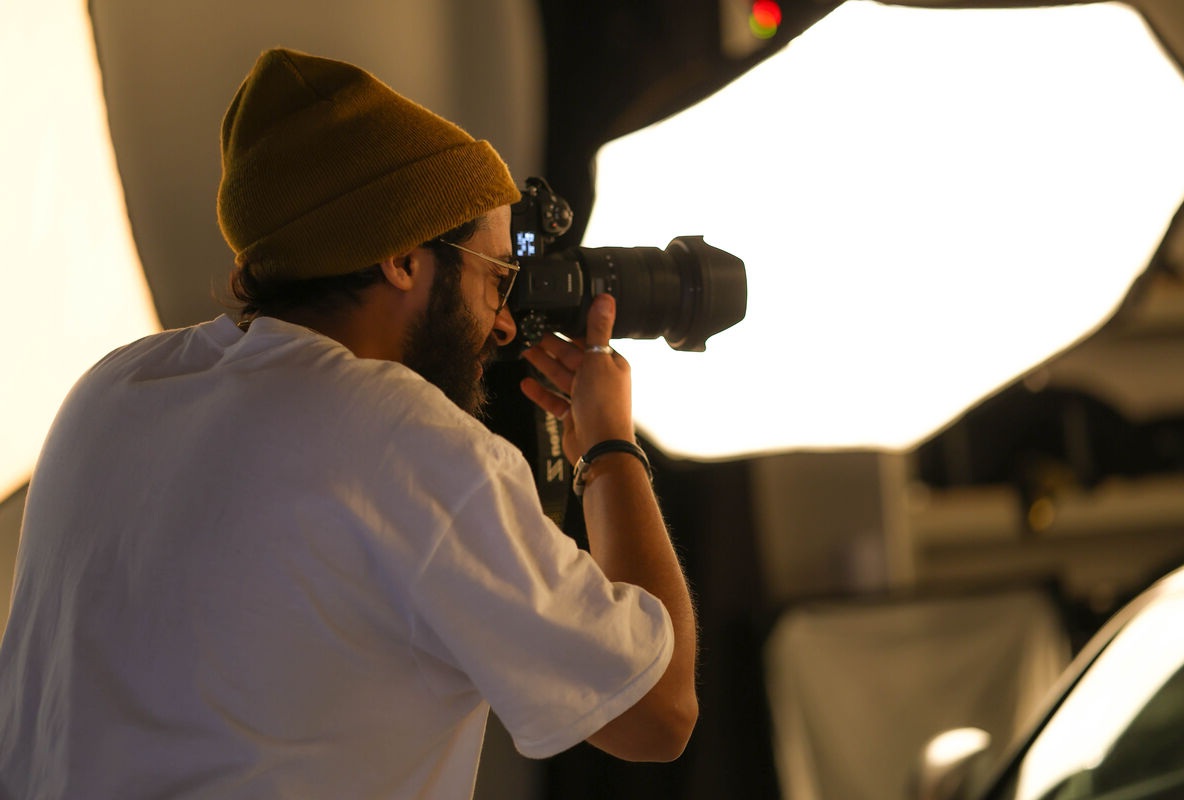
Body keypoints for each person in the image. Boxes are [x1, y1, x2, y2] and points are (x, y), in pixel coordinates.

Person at [0, 48, 697, 798]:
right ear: (402, 257)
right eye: (495, 277)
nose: (503, 327)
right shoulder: (408, 443)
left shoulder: (114, 390)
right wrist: (609, 446)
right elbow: (656, 713)